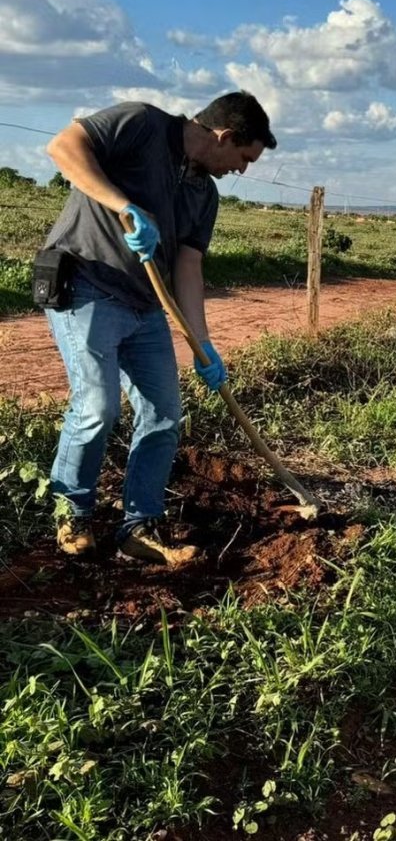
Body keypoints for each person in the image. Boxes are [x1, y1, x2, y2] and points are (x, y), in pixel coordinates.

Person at [42, 91, 276, 565]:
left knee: (165, 413)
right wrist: (124, 205)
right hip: (87, 284)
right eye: (244, 158)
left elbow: (188, 267)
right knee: (97, 407)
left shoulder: (203, 194)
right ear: (225, 136)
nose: (242, 171)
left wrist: (203, 344)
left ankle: (139, 526)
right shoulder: (142, 123)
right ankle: (73, 511)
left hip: (146, 307)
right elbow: (64, 148)